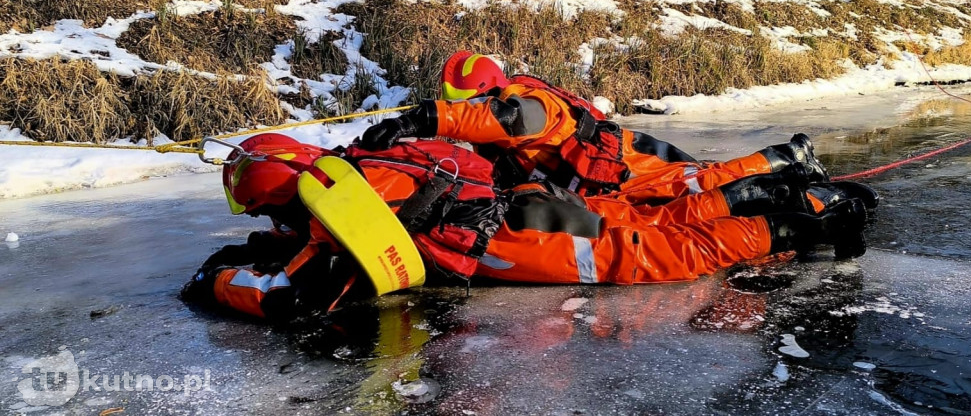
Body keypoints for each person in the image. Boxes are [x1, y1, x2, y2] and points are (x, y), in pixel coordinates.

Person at [181, 132, 877, 322]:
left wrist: (217, 281)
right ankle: (796, 197)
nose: (275, 223)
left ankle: (804, 220)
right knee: (657, 218)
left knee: (664, 252)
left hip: (523, 240)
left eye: (270, 213)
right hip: (529, 207)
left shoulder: (339, 201)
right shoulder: (362, 167)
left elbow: (300, 293)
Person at [359, 51, 834, 211]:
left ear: (487, 93)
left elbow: (504, 122)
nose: (466, 117)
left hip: (632, 161)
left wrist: (418, 118)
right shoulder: (499, 116)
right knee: (697, 185)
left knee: (698, 184)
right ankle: (782, 165)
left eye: (468, 105)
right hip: (607, 175)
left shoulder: (526, 106)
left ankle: (787, 157)